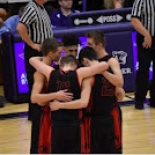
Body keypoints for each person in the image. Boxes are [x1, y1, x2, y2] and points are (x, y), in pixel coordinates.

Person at [50, 46, 124, 153]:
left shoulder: (88, 77)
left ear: (84, 61)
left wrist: (60, 105)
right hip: (109, 119)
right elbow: (120, 94)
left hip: (92, 121)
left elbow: (83, 102)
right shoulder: (111, 74)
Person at [29, 53, 109, 153]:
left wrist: (49, 58)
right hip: (74, 123)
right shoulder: (79, 73)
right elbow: (104, 65)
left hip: (56, 124)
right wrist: (90, 62)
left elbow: (32, 60)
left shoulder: (50, 72)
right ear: (75, 66)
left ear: (60, 65)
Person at [30, 38, 73, 153]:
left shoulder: (53, 69)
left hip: (52, 114)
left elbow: (34, 59)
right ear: (50, 54)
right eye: (59, 53)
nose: (61, 55)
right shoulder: (40, 73)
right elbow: (34, 98)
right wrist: (55, 95)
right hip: (41, 115)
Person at [86, 30, 123, 153]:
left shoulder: (111, 61)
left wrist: (103, 71)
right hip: (93, 115)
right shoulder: (87, 61)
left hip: (109, 113)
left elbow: (119, 82)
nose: (88, 47)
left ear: (100, 45)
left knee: (112, 148)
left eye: (90, 44)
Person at [17, 0, 53, 121]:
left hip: (44, 51)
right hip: (35, 51)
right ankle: (35, 115)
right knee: (36, 82)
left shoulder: (42, 7)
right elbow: (20, 27)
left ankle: (39, 113)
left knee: (42, 82)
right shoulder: (31, 8)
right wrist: (32, 44)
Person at [131, 0, 155, 110]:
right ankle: (139, 99)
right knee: (143, 69)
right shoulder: (141, 1)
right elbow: (134, 20)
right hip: (145, 38)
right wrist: (146, 34)